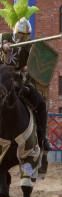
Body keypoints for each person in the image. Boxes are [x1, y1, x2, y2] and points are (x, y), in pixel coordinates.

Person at [1, 17, 52, 157]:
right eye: (20, 34)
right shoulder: (4, 37)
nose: (22, 38)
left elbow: (38, 63)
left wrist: (31, 67)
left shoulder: (30, 45)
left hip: (21, 81)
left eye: (25, 35)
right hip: (3, 79)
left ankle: (42, 137)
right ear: (14, 31)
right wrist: (3, 47)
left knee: (40, 103)